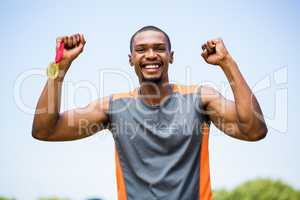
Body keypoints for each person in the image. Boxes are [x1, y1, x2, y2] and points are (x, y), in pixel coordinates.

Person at [32, 26, 268, 200]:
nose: (151, 55)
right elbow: (45, 130)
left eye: (159, 48)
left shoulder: (201, 99)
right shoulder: (114, 107)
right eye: (141, 49)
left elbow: (254, 130)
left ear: (171, 57)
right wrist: (60, 68)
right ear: (131, 59)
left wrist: (227, 63)